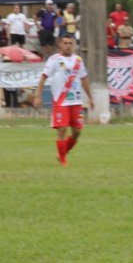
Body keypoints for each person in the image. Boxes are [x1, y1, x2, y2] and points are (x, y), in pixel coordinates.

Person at [33, 33, 94, 166]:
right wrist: (38, 96)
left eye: (70, 43)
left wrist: (90, 97)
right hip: (61, 101)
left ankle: (63, 152)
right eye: (65, 43)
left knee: (77, 132)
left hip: (76, 101)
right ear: (60, 44)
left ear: (73, 45)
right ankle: (63, 159)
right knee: (62, 129)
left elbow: (84, 79)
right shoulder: (54, 60)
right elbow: (43, 78)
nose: (67, 46)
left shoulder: (78, 60)